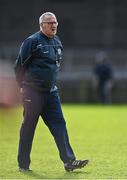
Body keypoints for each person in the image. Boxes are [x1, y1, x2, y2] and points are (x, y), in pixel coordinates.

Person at [14, 12, 89, 172]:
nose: (53, 25)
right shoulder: (32, 41)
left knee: (60, 126)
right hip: (32, 93)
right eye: (49, 23)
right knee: (28, 128)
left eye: (55, 22)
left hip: (51, 93)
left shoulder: (57, 41)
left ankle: (69, 162)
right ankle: (23, 165)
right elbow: (19, 66)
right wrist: (22, 87)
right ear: (41, 25)